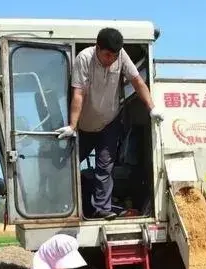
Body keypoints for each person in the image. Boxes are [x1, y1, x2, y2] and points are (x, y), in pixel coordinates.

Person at [56, 27, 164, 220]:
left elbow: (138, 82)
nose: (111, 60)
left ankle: (102, 208)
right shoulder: (84, 58)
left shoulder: (121, 56)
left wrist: (151, 108)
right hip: (84, 127)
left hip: (109, 123)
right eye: (107, 55)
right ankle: (60, 205)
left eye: (114, 56)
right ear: (97, 48)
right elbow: (78, 94)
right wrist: (72, 126)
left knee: (104, 167)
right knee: (67, 165)